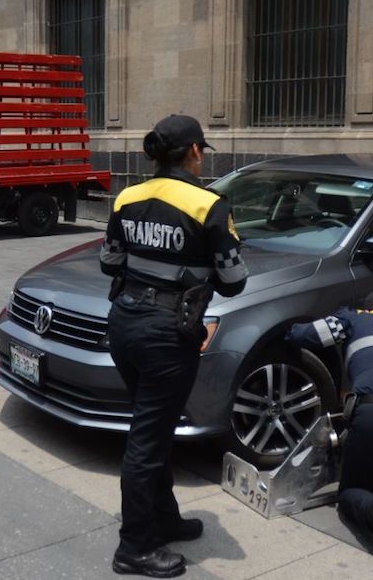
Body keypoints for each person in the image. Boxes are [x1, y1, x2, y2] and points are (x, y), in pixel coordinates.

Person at [99, 114, 247, 578]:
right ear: (195, 152)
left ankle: (163, 517)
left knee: (153, 427)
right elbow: (234, 282)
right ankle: (135, 547)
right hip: (167, 333)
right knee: (148, 438)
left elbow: (110, 261)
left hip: (124, 324)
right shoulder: (210, 205)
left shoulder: (127, 196)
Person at [286, 290, 373, 566]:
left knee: (350, 493)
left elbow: (304, 335)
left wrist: (284, 328)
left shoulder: (354, 318)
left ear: (368, 308)